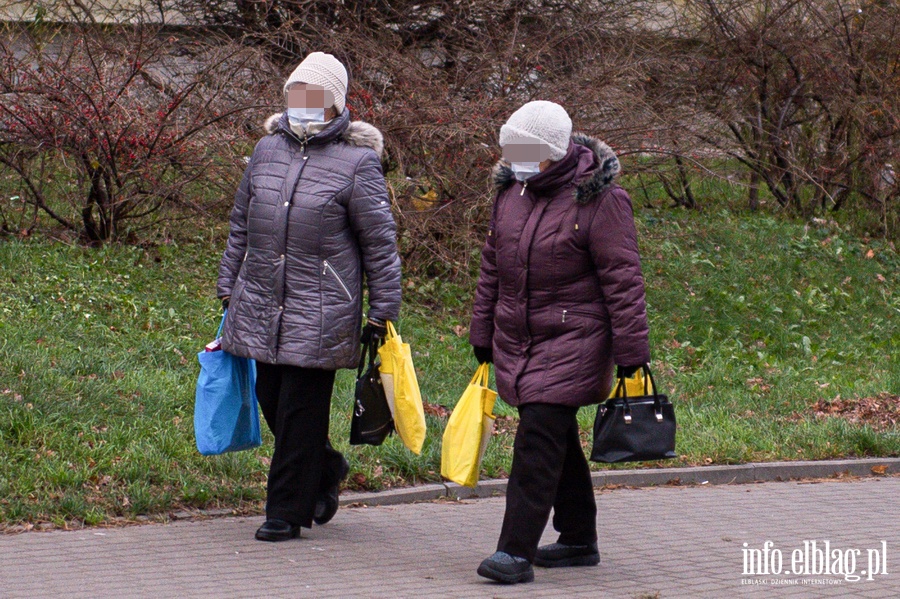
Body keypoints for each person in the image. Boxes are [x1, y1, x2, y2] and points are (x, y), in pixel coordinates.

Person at [217, 52, 401, 542]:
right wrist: (227, 284)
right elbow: (241, 223)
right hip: (260, 297)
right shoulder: (266, 150)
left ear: (335, 105)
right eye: (295, 95)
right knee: (270, 397)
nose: (302, 106)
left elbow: (380, 245)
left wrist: (383, 312)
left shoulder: (358, 162)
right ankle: (325, 467)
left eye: (313, 98)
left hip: (323, 307)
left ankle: (285, 511)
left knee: (301, 409)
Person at [469, 101, 650, 583]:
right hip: (522, 336)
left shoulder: (601, 200)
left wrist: (632, 354)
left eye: (525, 148)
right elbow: (493, 267)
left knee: (537, 437)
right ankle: (577, 539)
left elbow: (623, 279)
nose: (514, 157)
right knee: (555, 436)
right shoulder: (511, 192)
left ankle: (514, 552)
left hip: (577, 336)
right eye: (510, 146)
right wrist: (481, 330)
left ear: (554, 150)